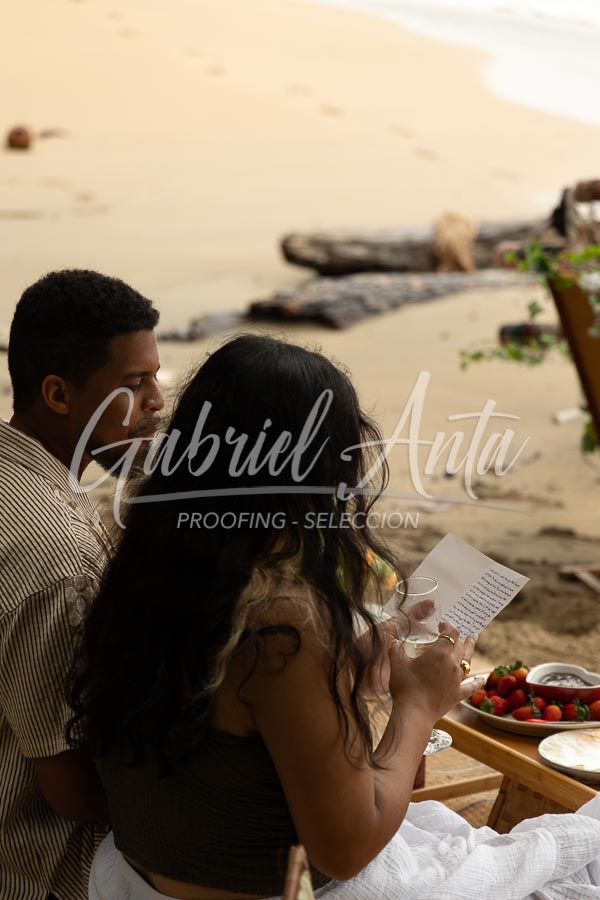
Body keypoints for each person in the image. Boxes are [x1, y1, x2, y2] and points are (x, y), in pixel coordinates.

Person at [68, 335, 600, 900]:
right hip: (276, 889)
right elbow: (346, 850)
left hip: (137, 878)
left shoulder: (150, 569)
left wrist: (352, 655)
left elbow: (227, 722)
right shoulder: (283, 627)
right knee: (570, 855)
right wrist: (419, 707)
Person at [0, 269, 164, 900]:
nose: (156, 402)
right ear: (58, 394)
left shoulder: (24, 470)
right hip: (42, 866)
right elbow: (75, 794)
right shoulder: (57, 561)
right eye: (133, 384)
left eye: (155, 378)